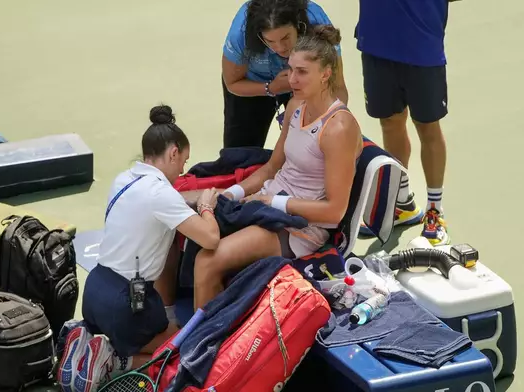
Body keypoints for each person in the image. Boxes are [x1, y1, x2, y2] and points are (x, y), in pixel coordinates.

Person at [194, 25, 362, 310]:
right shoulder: (297, 105)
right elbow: (272, 167)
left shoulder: (339, 128)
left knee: (208, 260)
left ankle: (197, 349)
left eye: (302, 72)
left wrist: (274, 202)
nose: (292, 79)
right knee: (185, 223)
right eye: (290, 69)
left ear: (326, 74)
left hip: (298, 229)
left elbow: (335, 211)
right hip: (265, 205)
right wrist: (231, 193)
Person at [58, 105, 221, 390]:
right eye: (183, 161)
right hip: (127, 305)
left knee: (166, 338)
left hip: (96, 290)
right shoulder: (160, 193)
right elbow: (210, 238)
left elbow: (164, 204)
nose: (183, 170)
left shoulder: (125, 179)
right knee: (185, 350)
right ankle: (111, 363)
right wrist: (206, 206)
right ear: (173, 153)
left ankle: (88, 342)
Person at [355, 0, 452, 245]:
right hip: (377, 44)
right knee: (390, 121)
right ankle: (402, 202)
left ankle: (434, 210)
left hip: (422, 47)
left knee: (427, 126)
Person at [221, 0, 348, 148]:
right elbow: (232, 82)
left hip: (307, 86)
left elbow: (337, 86)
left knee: (309, 148)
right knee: (240, 151)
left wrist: (332, 124)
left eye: (285, 38)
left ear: (298, 25)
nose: (280, 48)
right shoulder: (240, 35)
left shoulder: (317, 24)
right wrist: (271, 88)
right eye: (270, 41)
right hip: (253, 82)